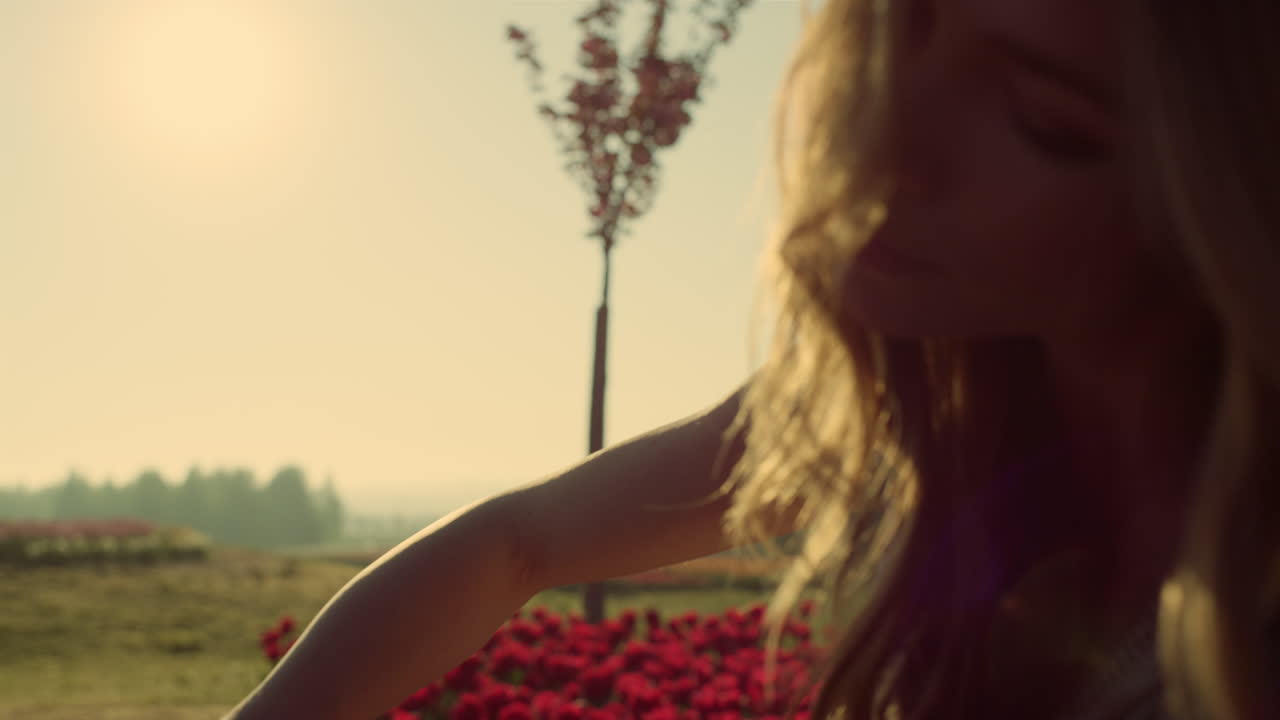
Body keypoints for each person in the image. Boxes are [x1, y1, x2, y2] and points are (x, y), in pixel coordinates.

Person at [225, 0, 1279, 718]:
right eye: (891, 35)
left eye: (1041, 120)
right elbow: (514, 544)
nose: (880, 143)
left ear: (1212, 197)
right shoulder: (885, 415)